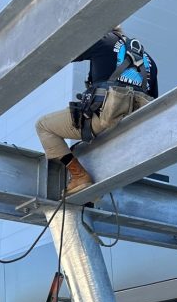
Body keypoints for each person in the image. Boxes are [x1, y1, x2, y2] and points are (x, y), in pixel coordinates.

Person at [35, 27, 158, 196]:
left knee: (44, 126)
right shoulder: (150, 61)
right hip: (133, 127)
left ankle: (79, 176)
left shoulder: (103, 40)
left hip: (104, 117)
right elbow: (153, 102)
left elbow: (65, 53)